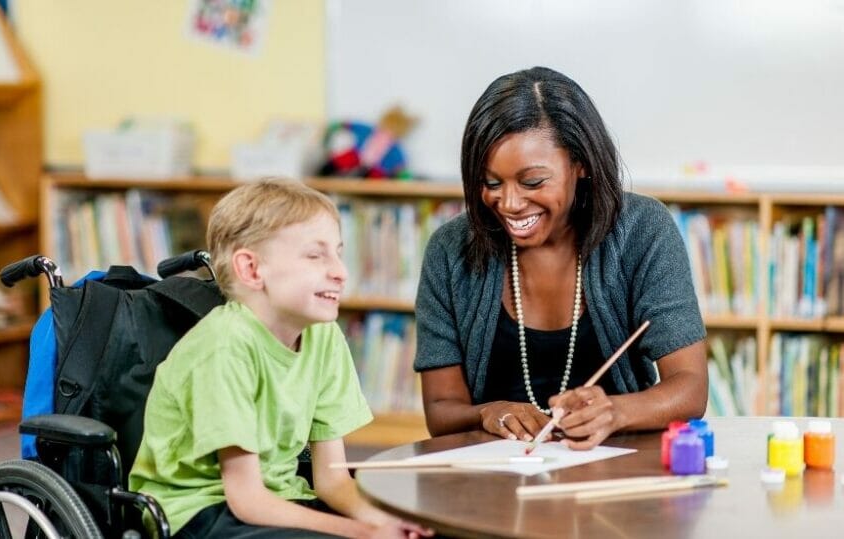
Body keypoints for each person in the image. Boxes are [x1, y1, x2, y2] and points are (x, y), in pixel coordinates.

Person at [413, 67, 708, 450]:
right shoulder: (450, 249)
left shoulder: (642, 231)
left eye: (533, 182)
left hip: (619, 468)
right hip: (497, 475)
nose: (510, 203)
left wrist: (616, 412)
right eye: (491, 183)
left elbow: (690, 388)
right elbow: (440, 410)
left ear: (580, 163)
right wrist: (488, 412)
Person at [130, 179, 432, 538]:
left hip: (279, 497)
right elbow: (246, 500)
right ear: (251, 269)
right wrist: (363, 534)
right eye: (316, 256)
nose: (341, 271)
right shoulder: (224, 346)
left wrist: (382, 522)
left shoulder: (324, 336)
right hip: (199, 510)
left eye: (338, 252)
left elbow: (332, 480)